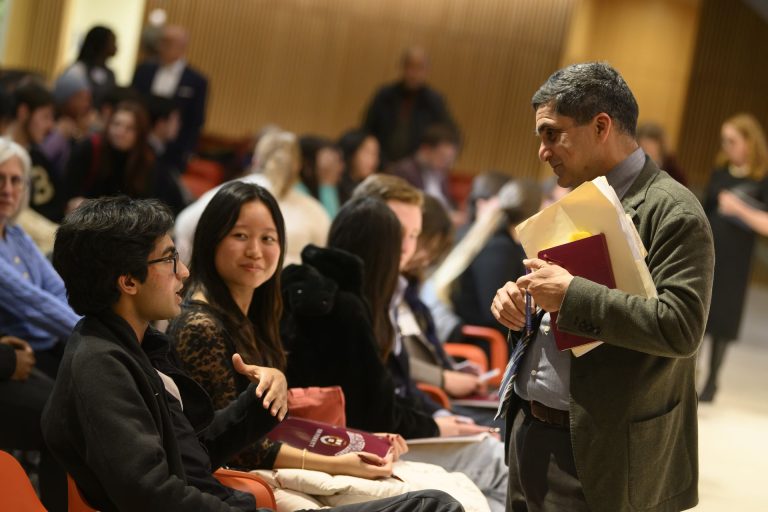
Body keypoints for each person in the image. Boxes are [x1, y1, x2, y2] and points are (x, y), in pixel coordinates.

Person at [42, 195, 461, 512]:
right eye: (169, 260)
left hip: (231, 500)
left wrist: (259, 403)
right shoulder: (101, 363)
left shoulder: (135, 348)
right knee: (434, 507)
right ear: (127, 281)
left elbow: (193, 456)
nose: (182, 272)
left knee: (436, 500)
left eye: (268, 238)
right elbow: (148, 492)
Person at [490, 62, 714, 512]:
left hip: (602, 454)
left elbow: (681, 327)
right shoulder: (579, 198)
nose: (542, 150)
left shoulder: (674, 211)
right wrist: (522, 305)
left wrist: (571, 294)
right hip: (530, 433)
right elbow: (562, 306)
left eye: (552, 134)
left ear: (600, 126)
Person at [282, 195, 509, 512]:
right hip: (357, 442)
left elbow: (389, 386)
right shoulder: (344, 307)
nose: (411, 249)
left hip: (376, 430)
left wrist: (438, 417)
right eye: (404, 238)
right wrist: (437, 425)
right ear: (383, 252)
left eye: (415, 236)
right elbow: (373, 411)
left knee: (495, 470)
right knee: (496, 462)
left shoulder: (349, 294)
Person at [169, 181, 405, 479]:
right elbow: (230, 444)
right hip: (231, 481)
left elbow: (269, 425)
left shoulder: (253, 313)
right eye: (240, 236)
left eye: (268, 238)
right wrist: (339, 463)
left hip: (264, 469)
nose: (255, 251)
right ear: (210, 240)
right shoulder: (199, 327)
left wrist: (352, 442)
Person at [174, 129, 330, 266]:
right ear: (298, 165)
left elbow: (185, 226)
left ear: (256, 159)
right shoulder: (314, 209)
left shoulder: (233, 192)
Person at [700, 113, 768, 402]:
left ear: (749, 142)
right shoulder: (720, 172)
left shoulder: (762, 179)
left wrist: (738, 208)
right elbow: (703, 211)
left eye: (732, 141)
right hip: (710, 253)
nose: (727, 147)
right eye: (724, 141)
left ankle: (712, 380)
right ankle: (688, 375)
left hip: (737, 261)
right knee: (700, 312)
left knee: (724, 318)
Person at [0, 138, 79, 378]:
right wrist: (100, 337)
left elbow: (56, 288)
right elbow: (32, 304)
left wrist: (101, 328)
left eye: (16, 180)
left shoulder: (16, 233)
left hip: (54, 338)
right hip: (19, 354)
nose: (7, 189)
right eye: (0, 179)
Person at [362, 47, 457, 167]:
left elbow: (450, 135)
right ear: (402, 68)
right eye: (410, 67)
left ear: (427, 70)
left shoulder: (434, 101)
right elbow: (367, 129)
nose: (414, 73)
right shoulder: (385, 95)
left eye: (419, 68)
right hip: (382, 163)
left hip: (417, 168)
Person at [132, 25, 208, 171]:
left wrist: (186, 153)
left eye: (167, 42)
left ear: (182, 46)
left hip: (173, 153)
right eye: (161, 41)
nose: (161, 46)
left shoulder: (197, 81)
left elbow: (196, 120)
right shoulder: (144, 71)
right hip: (139, 144)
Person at [388, 124, 460, 209]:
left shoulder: (441, 175)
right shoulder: (404, 171)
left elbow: (448, 203)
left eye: (449, 159)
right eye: (442, 156)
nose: (446, 163)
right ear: (425, 149)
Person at [70, 25, 118, 107]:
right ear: (101, 43)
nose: (115, 47)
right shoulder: (78, 70)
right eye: (112, 42)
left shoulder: (110, 74)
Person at [296, 135, 344, 218]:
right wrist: (327, 184)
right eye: (332, 162)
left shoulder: (342, 188)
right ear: (308, 165)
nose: (341, 168)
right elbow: (330, 225)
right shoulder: (298, 192)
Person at [337, 129, 380, 203]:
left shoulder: (370, 190)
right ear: (352, 152)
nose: (373, 160)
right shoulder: (336, 181)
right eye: (368, 152)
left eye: (376, 154)